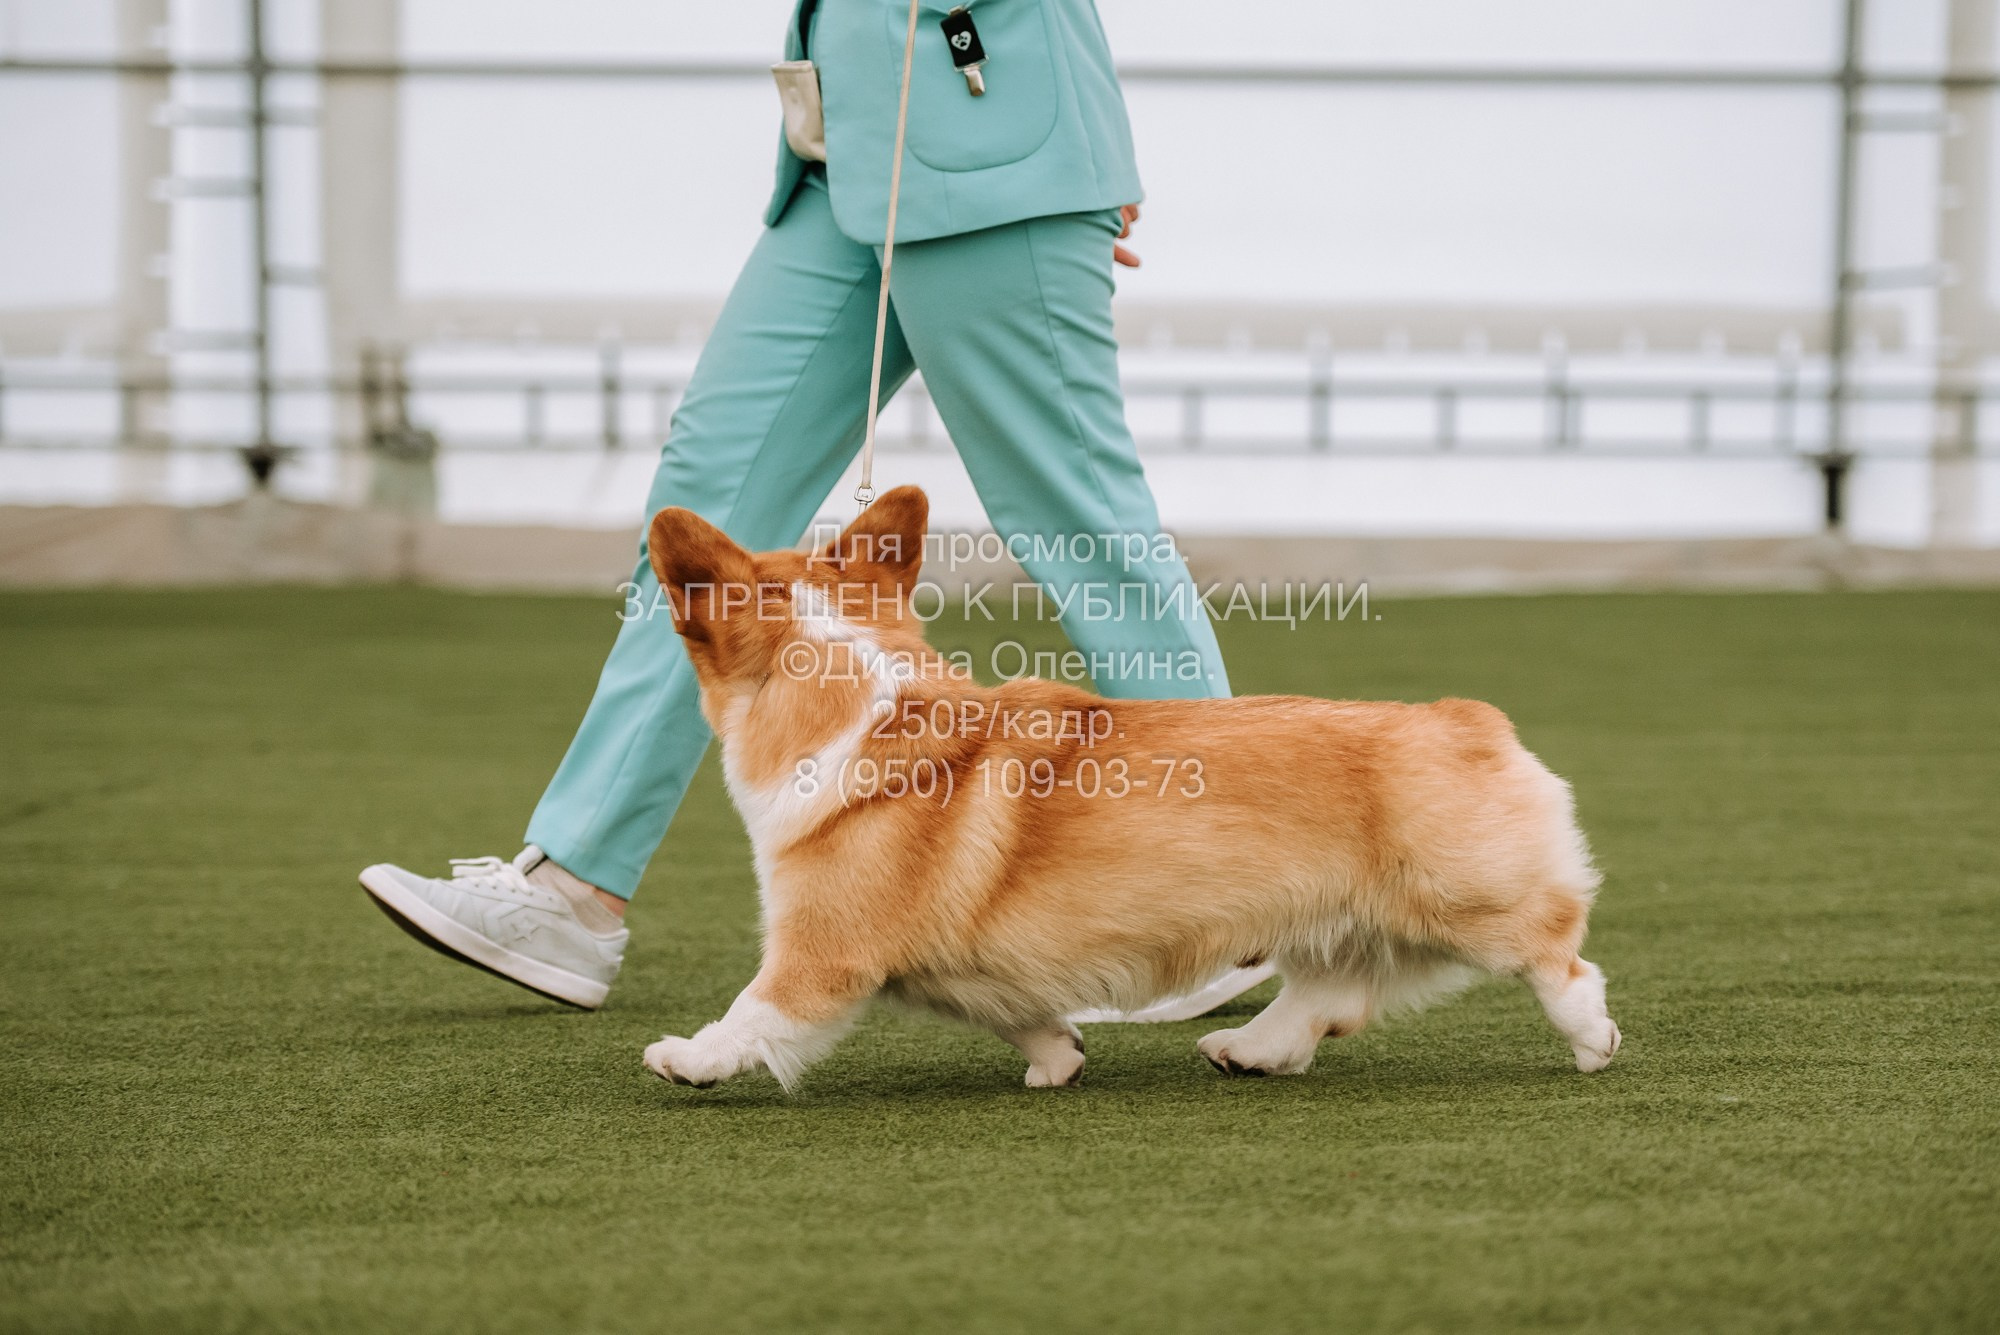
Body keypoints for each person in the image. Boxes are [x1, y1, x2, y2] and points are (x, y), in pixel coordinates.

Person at [359, 0, 1251, 1016]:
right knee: (700, 531)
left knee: (1077, 523)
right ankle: (572, 888)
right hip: (842, 174)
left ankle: (1234, 886)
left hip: (990, 162)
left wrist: (1072, 161)